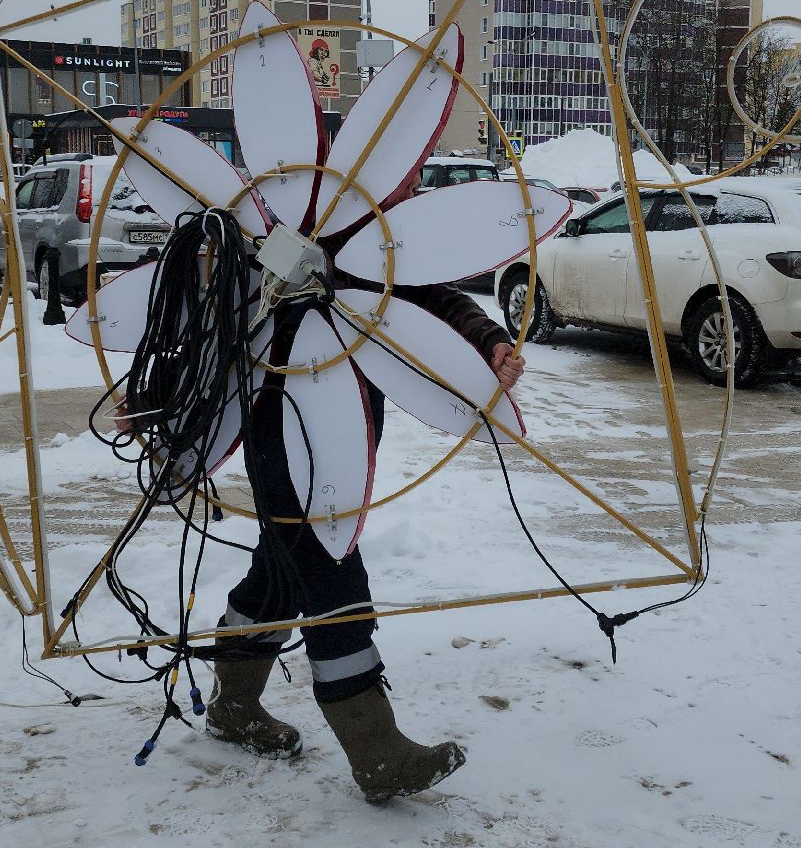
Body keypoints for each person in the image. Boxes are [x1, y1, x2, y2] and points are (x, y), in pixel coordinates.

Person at [119, 172, 526, 802]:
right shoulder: (274, 224)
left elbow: (431, 301)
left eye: (409, 181)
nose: (407, 190)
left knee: (281, 569)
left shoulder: (379, 243)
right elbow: (203, 317)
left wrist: (489, 342)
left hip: (346, 429)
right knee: (329, 566)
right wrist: (151, 398)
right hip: (276, 425)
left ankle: (233, 705)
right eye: (401, 181)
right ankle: (375, 750)